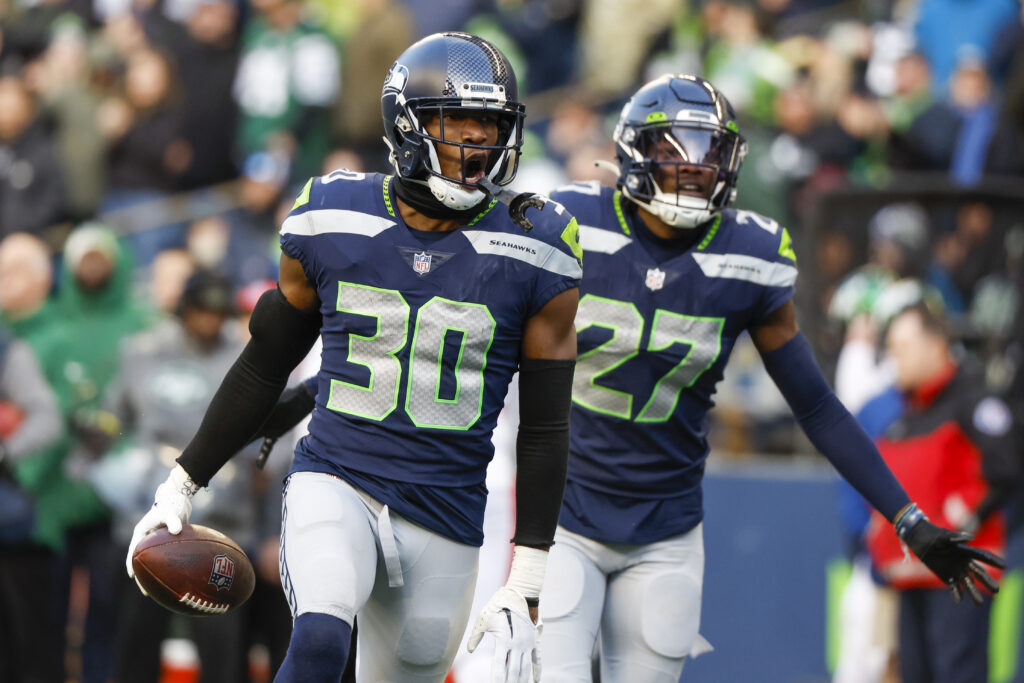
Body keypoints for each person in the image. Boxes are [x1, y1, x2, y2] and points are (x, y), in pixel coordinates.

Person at [126, 32, 581, 683]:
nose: (479, 145)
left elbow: (543, 424)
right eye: (460, 125)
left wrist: (530, 570)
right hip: (340, 477)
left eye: (492, 127)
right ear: (408, 123)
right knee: (317, 638)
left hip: (448, 505)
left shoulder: (536, 243)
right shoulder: (332, 217)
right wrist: (182, 482)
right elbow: (266, 360)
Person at [539, 74, 1004, 683]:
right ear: (634, 151)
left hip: (665, 531)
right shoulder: (572, 224)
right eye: (674, 152)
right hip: (564, 518)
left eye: (709, 155)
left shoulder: (749, 256)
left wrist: (907, 517)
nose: (694, 170)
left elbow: (816, 407)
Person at [863, 303, 1018, 683]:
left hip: (957, 575)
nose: (894, 358)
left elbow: (1007, 468)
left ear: (936, 347)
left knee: (956, 673)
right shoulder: (903, 415)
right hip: (908, 575)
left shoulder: (973, 401)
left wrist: (970, 518)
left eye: (903, 347)